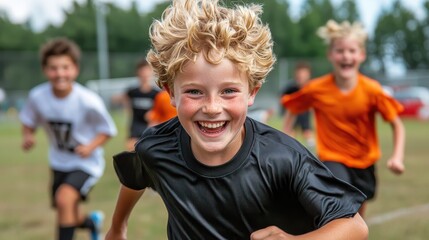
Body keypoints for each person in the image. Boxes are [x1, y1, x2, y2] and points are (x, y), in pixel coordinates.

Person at [106, 1, 368, 239]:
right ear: (170, 92)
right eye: (194, 92)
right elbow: (134, 174)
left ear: (252, 92)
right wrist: (117, 228)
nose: (211, 107)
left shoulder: (282, 158)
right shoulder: (156, 146)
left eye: (228, 91)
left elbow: (354, 226)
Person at [282, 20, 406, 218]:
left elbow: (396, 124)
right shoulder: (316, 88)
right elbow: (292, 107)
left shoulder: (372, 90)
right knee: (342, 204)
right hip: (333, 158)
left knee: (358, 212)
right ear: (331, 55)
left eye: (352, 50)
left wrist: (397, 157)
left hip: (364, 162)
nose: (346, 56)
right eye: (340, 50)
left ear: (361, 55)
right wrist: (286, 136)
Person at [19, 37, 117, 240]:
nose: (60, 73)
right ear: (45, 70)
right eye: (53, 68)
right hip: (58, 161)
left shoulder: (87, 100)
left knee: (64, 199)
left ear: (75, 69)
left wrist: (90, 147)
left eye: (65, 67)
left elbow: (107, 130)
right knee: (65, 209)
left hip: (85, 163)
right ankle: (91, 222)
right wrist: (28, 136)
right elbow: (28, 119)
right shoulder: (38, 96)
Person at [111, 59, 159, 151]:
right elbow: (122, 100)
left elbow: (160, 111)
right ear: (138, 73)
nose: (144, 74)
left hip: (150, 127)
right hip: (135, 127)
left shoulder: (156, 93)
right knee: (132, 152)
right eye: (142, 71)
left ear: (151, 72)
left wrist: (153, 115)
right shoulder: (132, 91)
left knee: (148, 153)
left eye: (147, 71)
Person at [281, 61, 315, 148]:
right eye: (299, 74)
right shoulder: (290, 89)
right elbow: (284, 103)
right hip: (292, 114)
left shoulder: (311, 88)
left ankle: (310, 149)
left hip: (305, 114)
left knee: (307, 133)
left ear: (308, 75)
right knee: (288, 135)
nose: (301, 76)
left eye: (303, 74)